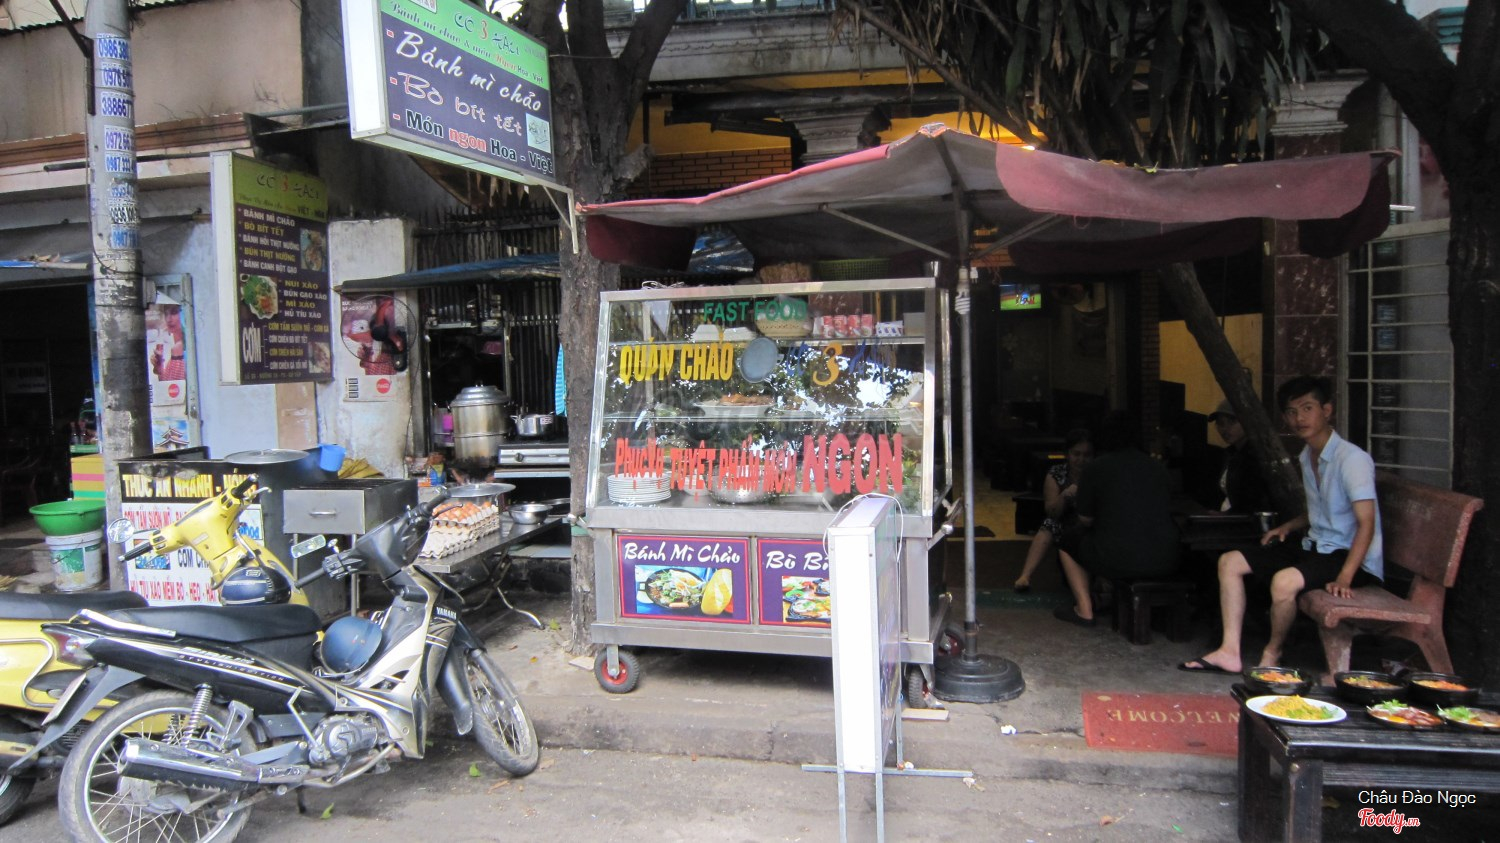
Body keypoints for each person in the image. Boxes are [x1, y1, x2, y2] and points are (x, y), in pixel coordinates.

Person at [1181, 376, 1384, 673]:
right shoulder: (1308, 455)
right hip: (1315, 546)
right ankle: (1229, 651)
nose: (1299, 418)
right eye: (1292, 412)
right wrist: (1288, 526)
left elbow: (1367, 523)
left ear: (1327, 410)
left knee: (1283, 582)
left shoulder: (1352, 459)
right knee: (1229, 562)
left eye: (1308, 408)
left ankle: (1272, 655)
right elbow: (1322, 510)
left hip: (1347, 556)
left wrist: (1344, 577)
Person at [1052, 411, 1180, 626]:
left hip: (1116, 557)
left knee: (1066, 541)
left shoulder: (1096, 468)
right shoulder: (1158, 468)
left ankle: (1084, 609)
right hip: (1167, 558)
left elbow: (1085, 519)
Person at [1013, 428, 1092, 593]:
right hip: (1065, 521)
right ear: (1067, 454)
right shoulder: (1057, 473)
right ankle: (1025, 575)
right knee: (1049, 524)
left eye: (1086, 455)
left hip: (1089, 521)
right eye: (1076, 454)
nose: (1081, 460)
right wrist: (1065, 495)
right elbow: (1051, 510)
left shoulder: (1096, 473)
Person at [1208, 399, 1273, 514]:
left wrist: (1224, 516)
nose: (1225, 428)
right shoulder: (1231, 453)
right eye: (1220, 423)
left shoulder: (1255, 456)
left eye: (1232, 422)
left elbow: (1252, 504)